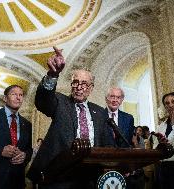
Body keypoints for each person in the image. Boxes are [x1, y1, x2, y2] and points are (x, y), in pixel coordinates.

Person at [27, 47, 113, 189]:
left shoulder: (100, 112)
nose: (79, 87)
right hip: (58, 175)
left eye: (84, 84)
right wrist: (52, 74)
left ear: (91, 88)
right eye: (75, 82)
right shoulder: (60, 102)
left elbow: (108, 144)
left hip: (90, 177)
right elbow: (43, 101)